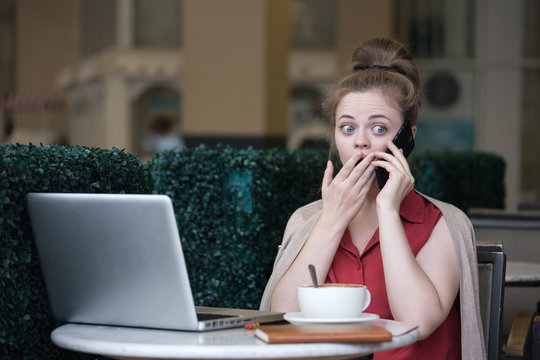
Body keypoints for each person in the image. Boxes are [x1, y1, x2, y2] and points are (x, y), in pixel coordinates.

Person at [260, 38, 485, 359]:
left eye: (379, 128)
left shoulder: (444, 222)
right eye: (347, 127)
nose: (360, 142)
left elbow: (418, 322)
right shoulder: (307, 220)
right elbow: (282, 316)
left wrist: (388, 212)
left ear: (408, 138)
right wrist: (331, 221)